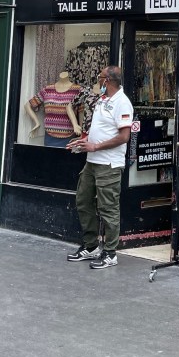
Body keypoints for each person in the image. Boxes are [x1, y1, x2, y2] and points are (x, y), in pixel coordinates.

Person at [66, 65, 133, 269]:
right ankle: (91, 246)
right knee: (83, 200)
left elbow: (124, 136)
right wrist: (84, 142)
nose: (98, 80)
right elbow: (100, 130)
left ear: (108, 80)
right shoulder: (102, 100)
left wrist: (95, 146)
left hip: (109, 164)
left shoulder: (122, 102)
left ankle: (110, 253)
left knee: (108, 208)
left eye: (100, 77)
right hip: (92, 161)